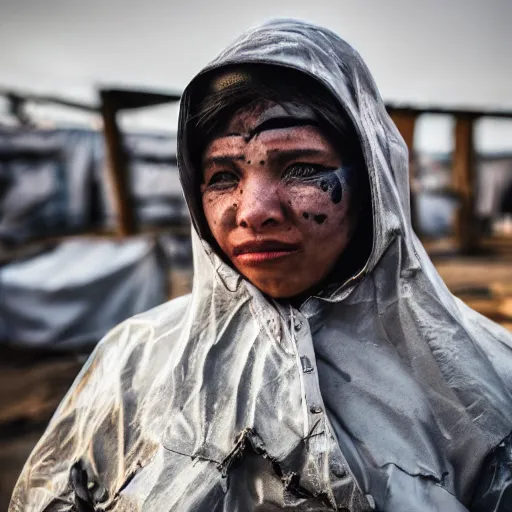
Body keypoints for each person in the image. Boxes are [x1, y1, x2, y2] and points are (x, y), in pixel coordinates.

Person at [10, 19, 512, 512]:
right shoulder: (130, 364)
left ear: (373, 184)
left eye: (302, 169)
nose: (254, 211)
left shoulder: (486, 386)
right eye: (223, 175)